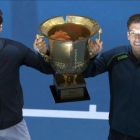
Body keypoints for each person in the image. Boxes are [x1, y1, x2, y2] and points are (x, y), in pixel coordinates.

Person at [82, 14, 140, 140]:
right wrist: (91, 56)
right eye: (133, 32)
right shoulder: (115, 56)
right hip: (116, 132)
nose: (137, 38)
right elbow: (88, 72)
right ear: (128, 35)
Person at [0, 9, 55, 140]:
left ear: (0, 27)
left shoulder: (15, 50)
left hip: (13, 123)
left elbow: (47, 69)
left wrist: (43, 52)